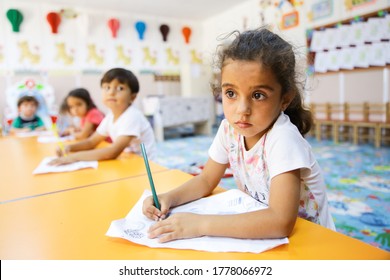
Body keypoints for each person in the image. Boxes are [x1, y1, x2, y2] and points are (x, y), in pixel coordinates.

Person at [143, 27, 335, 243]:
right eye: (231, 93)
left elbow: (281, 221)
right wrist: (168, 197)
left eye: (258, 95)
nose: (242, 109)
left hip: (311, 240)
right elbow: (206, 180)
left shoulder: (283, 139)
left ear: (285, 99)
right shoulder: (229, 129)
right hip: (265, 233)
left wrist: (200, 224)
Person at [49, 68, 156, 165]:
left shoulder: (132, 116)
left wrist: (74, 157)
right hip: (128, 161)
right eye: (107, 87)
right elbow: (91, 142)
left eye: (120, 88)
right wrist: (68, 148)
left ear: (133, 96)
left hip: (146, 166)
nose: (111, 92)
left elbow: (113, 151)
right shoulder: (110, 117)